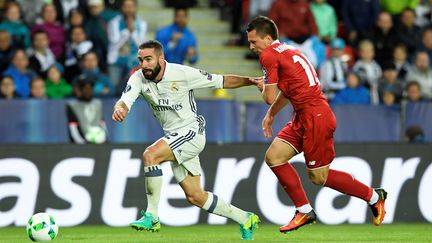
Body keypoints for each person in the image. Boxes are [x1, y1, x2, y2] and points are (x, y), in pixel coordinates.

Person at [245, 16, 387, 233]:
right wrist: (271, 114)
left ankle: (374, 197)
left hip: (315, 117)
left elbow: (268, 95)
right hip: (304, 115)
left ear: (267, 38)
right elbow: (287, 90)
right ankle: (303, 210)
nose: (251, 46)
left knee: (318, 177)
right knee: (274, 157)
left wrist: (262, 85)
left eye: (254, 42)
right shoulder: (290, 50)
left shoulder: (268, 55)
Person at [112, 40, 260, 240]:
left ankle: (152, 216)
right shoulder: (138, 78)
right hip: (173, 137)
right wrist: (120, 108)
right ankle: (245, 218)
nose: (144, 64)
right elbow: (125, 99)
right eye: (141, 60)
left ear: (160, 59)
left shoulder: (182, 74)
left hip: (191, 132)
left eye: (148, 59)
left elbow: (221, 81)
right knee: (195, 196)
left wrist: (251, 81)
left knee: (151, 155)